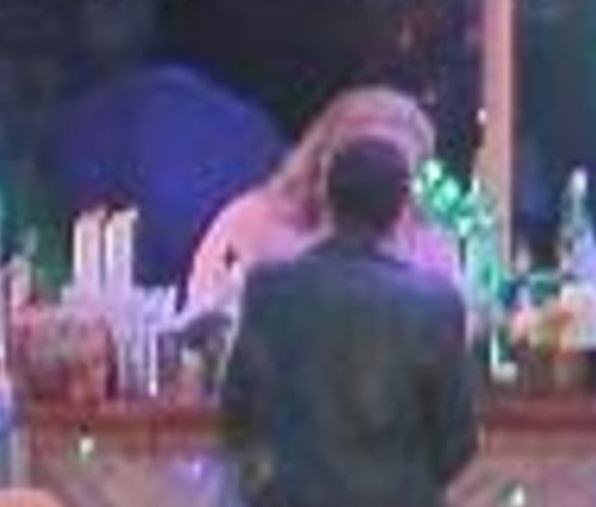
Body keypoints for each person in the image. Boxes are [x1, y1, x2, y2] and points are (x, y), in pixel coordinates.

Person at [219, 125, 479, 507]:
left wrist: (272, 480)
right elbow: (459, 441)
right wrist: (402, 480)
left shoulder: (270, 290)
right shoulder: (435, 305)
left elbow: (237, 415)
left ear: (328, 200)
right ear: (401, 208)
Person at [183, 80, 462, 324]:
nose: (378, 181)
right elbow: (201, 328)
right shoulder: (251, 224)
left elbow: (454, 345)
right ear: (321, 160)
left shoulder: (429, 247)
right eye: (364, 164)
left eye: (398, 173)